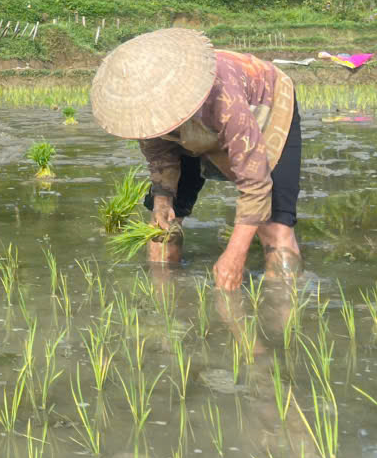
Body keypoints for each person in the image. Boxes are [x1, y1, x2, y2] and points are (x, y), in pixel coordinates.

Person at [90, 28, 302, 290]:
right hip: (195, 123)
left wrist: (235, 254)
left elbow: (255, 183)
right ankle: (164, 303)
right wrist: (162, 201)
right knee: (162, 232)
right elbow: (159, 154)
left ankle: (281, 315)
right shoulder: (146, 108)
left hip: (265, 105)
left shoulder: (225, 101)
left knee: (275, 231)